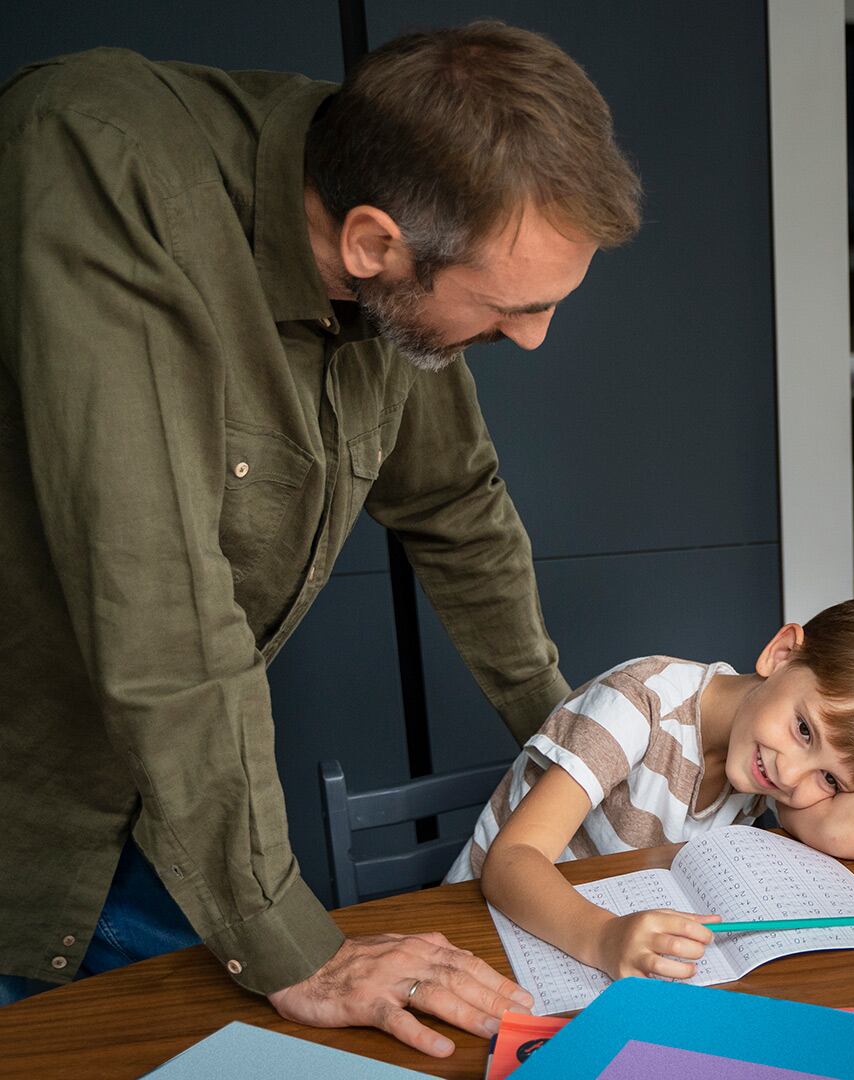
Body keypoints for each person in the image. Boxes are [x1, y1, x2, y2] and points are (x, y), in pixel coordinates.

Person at [0, 22, 641, 1055]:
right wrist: (300, 951)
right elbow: (159, 603)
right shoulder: (101, 157)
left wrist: (581, 753)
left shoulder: (397, 202)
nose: (533, 339)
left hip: (179, 801)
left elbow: (457, 507)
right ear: (373, 246)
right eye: (513, 307)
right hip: (30, 805)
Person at [458, 594, 854, 981]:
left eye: (831, 779)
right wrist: (603, 937)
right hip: (490, 934)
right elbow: (511, 861)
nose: (791, 777)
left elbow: (851, 832)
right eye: (804, 730)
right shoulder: (640, 704)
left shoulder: (765, 755)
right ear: (782, 654)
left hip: (604, 949)